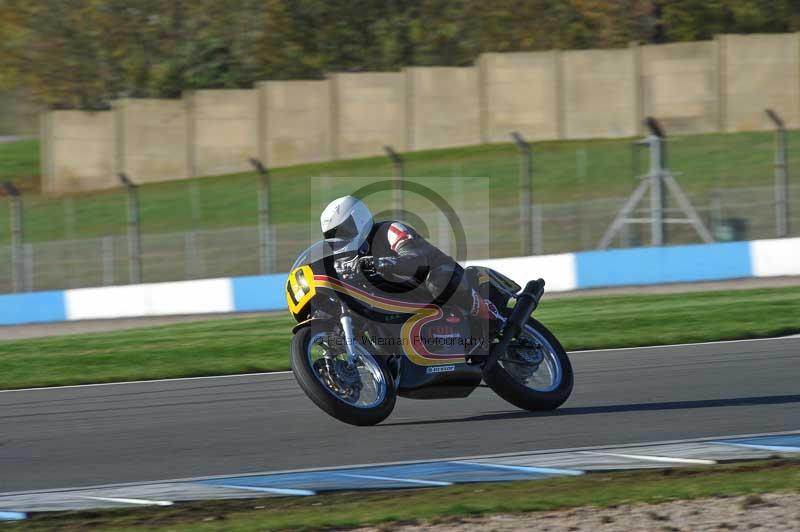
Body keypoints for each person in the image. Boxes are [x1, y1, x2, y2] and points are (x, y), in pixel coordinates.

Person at [320, 195, 503, 325]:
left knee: (438, 280)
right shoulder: (352, 258)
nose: (340, 239)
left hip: (438, 274)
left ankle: (490, 315)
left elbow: (416, 261)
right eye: (333, 236)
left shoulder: (390, 230)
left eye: (343, 231)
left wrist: (381, 263)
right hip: (411, 298)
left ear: (358, 219)